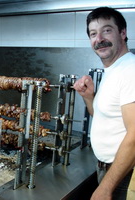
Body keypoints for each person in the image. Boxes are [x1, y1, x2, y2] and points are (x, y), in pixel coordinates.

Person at [73, 7, 135, 200]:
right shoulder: (113, 70)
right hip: (108, 168)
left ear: (123, 33)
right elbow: (106, 119)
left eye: (106, 30)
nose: (99, 39)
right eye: (93, 34)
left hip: (124, 175)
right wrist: (89, 97)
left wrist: (106, 187)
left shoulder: (130, 70)